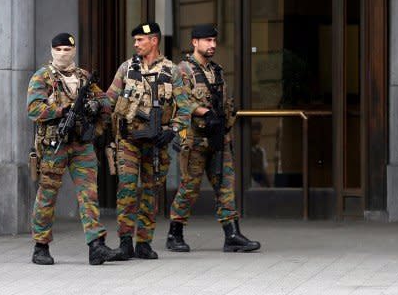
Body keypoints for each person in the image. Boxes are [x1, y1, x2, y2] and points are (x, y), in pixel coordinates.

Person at [28, 33, 125, 265]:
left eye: (67, 49)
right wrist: (62, 110)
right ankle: (40, 246)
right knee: (47, 195)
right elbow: (34, 110)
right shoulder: (42, 77)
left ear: (73, 51)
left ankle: (96, 245)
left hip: (82, 144)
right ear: (52, 51)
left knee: (89, 194)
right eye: (59, 49)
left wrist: (93, 106)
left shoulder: (84, 77)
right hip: (55, 144)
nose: (63, 53)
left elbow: (105, 104)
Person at [166, 24, 260, 253]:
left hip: (219, 139)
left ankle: (232, 235)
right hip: (195, 139)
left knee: (225, 186)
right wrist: (204, 113)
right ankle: (174, 233)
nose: (213, 45)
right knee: (190, 187)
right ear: (195, 43)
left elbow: (224, 103)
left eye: (214, 40)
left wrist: (225, 122)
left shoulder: (217, 71)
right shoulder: (183, 70)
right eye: (207, 40)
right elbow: (181, 100)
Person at [106, 22, 190, 259]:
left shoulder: (172, 71)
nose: (135, 44)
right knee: (127, 189)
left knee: (151, 192)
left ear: (154, 41)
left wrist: (173, 131)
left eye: (140, 40)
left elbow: (185, 109)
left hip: (157, 142)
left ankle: (144, 242)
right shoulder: (126, 68)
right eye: (134, 41)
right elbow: (109, 98)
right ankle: (125, 241)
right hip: (129, 140)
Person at [250, 121, 271, 188]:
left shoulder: (261, 151)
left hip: (259, 183)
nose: (258, 136)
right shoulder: (245, 152)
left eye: (259, 134)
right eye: (255, 134)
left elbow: (263, 170)